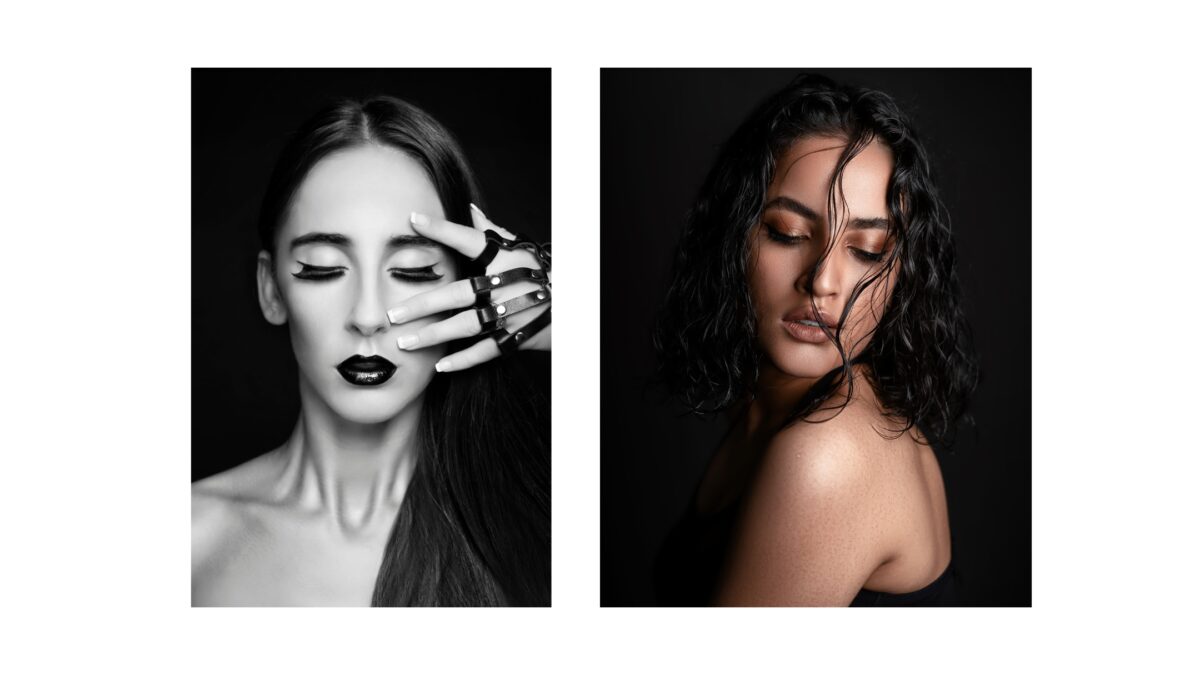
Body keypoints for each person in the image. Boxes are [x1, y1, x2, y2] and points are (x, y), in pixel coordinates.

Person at [191, 96, 551, 607]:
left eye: (413, 272)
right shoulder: (190, 540)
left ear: (472, 290)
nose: (366, 315)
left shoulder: (548, 534)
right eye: (322, 267)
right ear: (272, 290)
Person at [652, 74, 977, 606]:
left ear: (903, 275)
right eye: (788, 234)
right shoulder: (772, 404)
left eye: (868, 250)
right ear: (734, 236)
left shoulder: (825, 453)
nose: (822, 280)